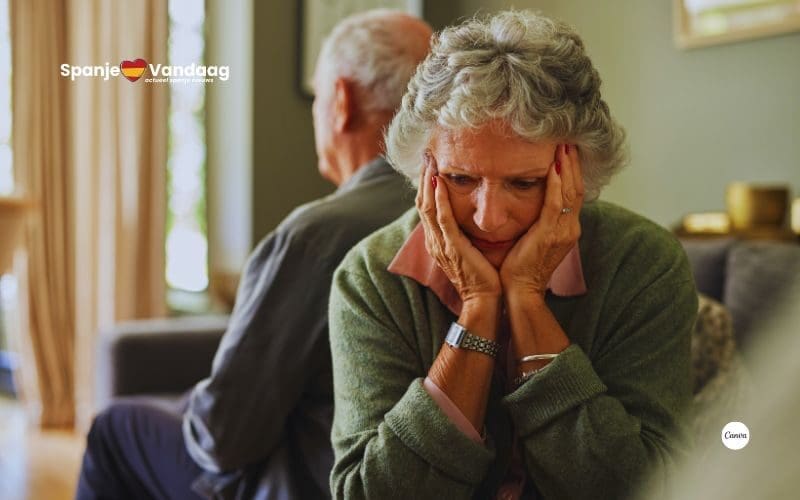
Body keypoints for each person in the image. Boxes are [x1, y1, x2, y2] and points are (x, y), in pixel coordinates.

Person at [328, 10, 697, 500]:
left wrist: (526, 302)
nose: (489, 218)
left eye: (524, 183)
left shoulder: (645, 264)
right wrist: (479, 309)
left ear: (578, 172)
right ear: (423, 169)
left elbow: (649, 487)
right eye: (460, 179)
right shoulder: (370, 277)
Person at [76, 9, 432, 500]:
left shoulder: (316, 236)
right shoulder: (469, 214)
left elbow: (224, 436)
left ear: (341, 102)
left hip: (312, 483)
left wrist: (194, 407)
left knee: (114, 429)